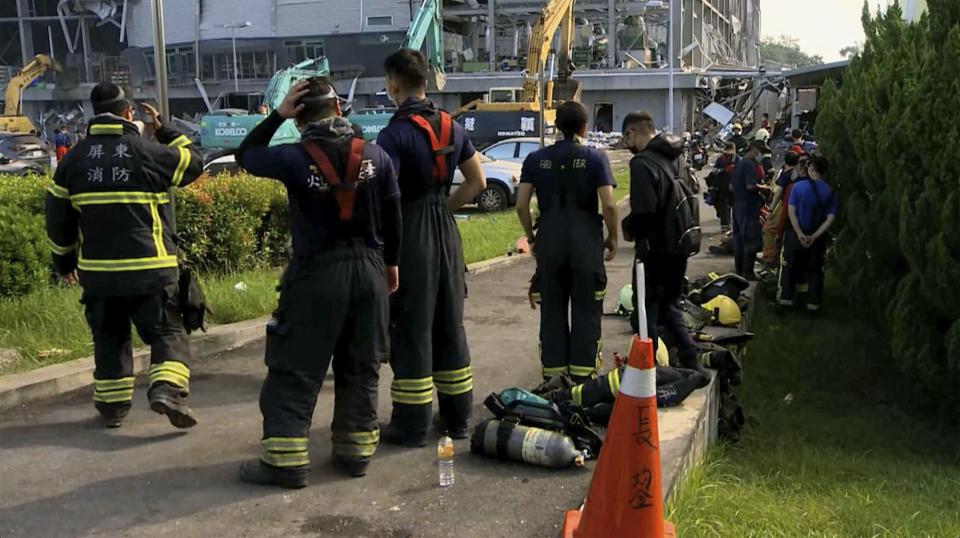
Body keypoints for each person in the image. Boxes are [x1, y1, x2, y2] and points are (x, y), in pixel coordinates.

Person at [235, 77, 401, 486]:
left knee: (296, 367)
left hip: (316, 275)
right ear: (340, 109)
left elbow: (247, 155)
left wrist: (276, 115)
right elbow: (394, 217)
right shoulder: (377, 157)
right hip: (369, 272)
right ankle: (354, 454)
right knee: (361, 365)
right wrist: (391, 265)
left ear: (300, 117)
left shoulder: (293, 158)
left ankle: (285, 461)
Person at [45, 82, 203, 429]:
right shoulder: (145, 151)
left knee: (109, 336)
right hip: (152, 269)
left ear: (92, 112)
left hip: (99, 275)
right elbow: (193, 163)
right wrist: (166, 131)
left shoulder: (73, 159)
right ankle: (167, 390)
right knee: (168, 331)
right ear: (128, 112)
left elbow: (57, 218)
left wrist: (65, 262)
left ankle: (113, 407)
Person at [376, 49, 486, 447]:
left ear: (393, 85)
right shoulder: (452, 127)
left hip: (412, 233)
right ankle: (457, 419)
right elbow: (478, 183)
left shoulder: (394, 134)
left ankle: (411, 424)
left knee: (412, 324)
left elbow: (384, 195)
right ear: (427, 81)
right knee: (448, 322)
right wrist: (445, 207)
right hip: (445, 230)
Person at [516, 101, 619, 383]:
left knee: (551, 312)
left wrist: (532, 236)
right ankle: (583, 381)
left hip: (550, 239)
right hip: (586, 241)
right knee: (587, 311)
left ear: (557, 125)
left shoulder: (535, 159)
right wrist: (613, 237)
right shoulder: (596, 158)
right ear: (584, 127)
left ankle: (554, 380)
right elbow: (609, 205)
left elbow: (522, 205)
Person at [620, 110, 705, 374]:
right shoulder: (676, 157)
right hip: (679, 244)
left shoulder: (642, 163)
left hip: (654, 248)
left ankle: (648, 370)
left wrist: (629, 227)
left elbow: (645, 210)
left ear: (632, 132)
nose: (626, 145)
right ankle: (691, 359)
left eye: (626, 139)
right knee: (668, 305)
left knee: (647, 310)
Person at [777, 154, 836, 311]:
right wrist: (814, 236)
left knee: (789, 267)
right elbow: (829, 218)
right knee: (815, 270)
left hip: (795, 235)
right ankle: (813, 304)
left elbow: (791, 211)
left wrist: (799, 233)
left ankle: (786, 301)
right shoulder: (828, 191)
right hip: (817, 237)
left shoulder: (798, 187)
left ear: (811, 168)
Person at [731, 139, 770, 280]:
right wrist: (764, 188)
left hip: (737, 205)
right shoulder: (749, 165)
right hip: (748, 207)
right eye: (760, 151)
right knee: (750, 240)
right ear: (753, 149)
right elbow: (750, 186)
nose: (761, 154)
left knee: (739, 240)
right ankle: (748, 273)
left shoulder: (740, 163)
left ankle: (739, 271)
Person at [710, 142, 737, 233]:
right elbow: (714, 171)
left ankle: (730, 228)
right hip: (727, 187)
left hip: (729, 187)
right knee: (727, 208)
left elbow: (714, 172)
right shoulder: (722, 160)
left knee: (729, 207)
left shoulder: (724, 159)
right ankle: (728, 228)